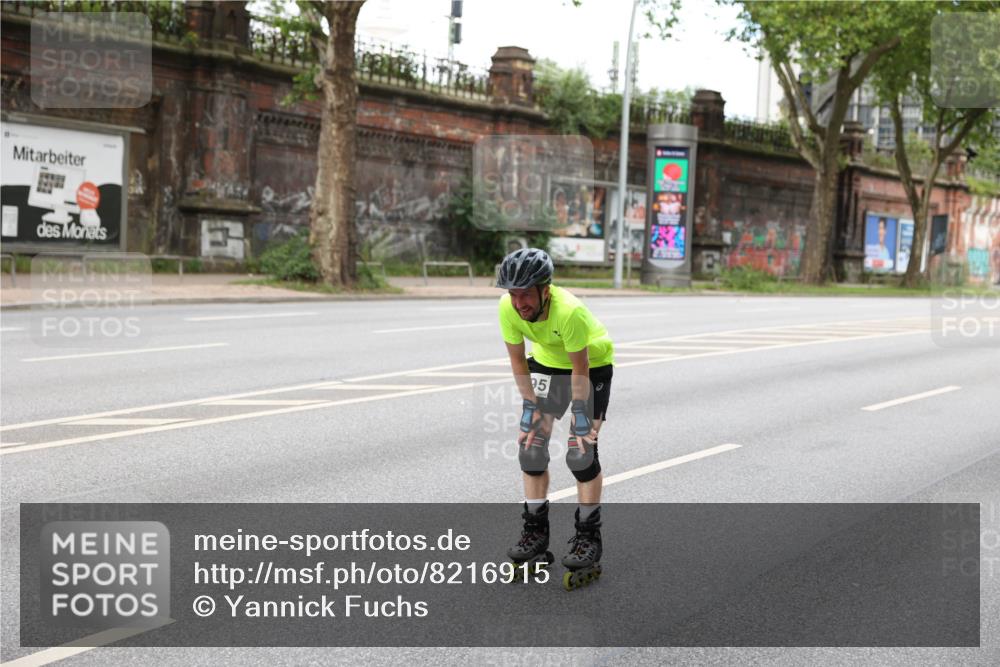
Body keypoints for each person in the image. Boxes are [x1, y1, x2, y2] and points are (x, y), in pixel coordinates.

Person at [494, 248, 614, 589]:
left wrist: (580, 417)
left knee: (581, 451)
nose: (519, 303)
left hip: (591, 365)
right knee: (531, 448)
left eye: (526, 295)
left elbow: (580, 369)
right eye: (513, 295)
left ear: (545, 290)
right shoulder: (508, 308)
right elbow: (519, 362)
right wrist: (530, 408)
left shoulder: (569, 312)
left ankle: (588, 536)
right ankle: (535, 532)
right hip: (547, 363)